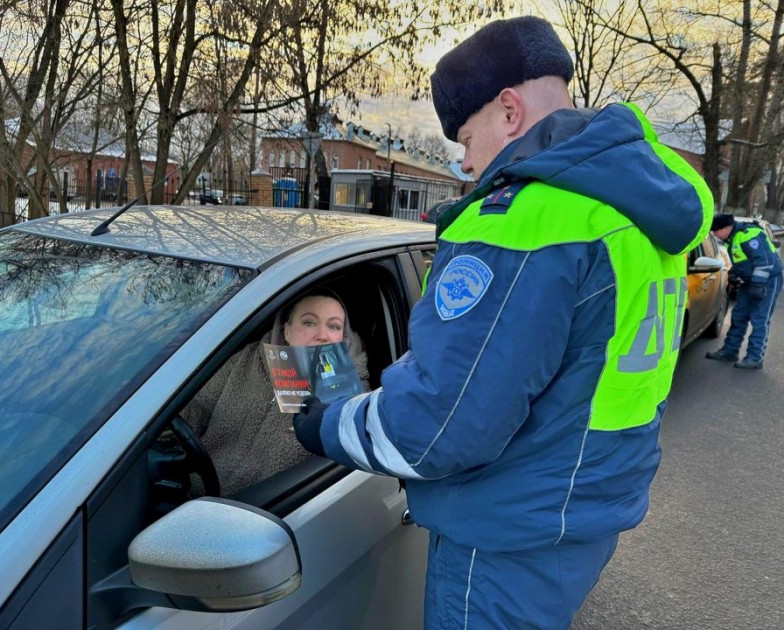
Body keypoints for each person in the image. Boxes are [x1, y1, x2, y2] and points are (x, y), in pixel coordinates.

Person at [292, 16, 712, 629]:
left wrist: (325, 424)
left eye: (465, 139)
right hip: (577, 508)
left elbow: (437, 427)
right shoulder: (634, 206)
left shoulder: (527, 220)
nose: (466, 164)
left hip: (503, 535)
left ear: (509, 111)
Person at [182, 289, 369, 496]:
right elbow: (198, 406)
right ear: (287, 331)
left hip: (270, 511)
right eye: (309, 322)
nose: (322, 335)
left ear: (343, 337)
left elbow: (350, 459)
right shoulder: (247, 359)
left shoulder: (353, 393)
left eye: (333, 326)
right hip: (196, 494)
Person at [706, 213, 782, 369]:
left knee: (759, 319)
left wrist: (758, 284)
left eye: (716, 230)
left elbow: (764, 262)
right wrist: (735, 273)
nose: (714, 234)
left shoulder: (750, 234)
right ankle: (730, 351)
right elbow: (743, 259)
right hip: (751, 281)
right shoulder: (733, 238)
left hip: (767, 280)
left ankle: (755, 358)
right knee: (739, 316)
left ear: (726, 228)